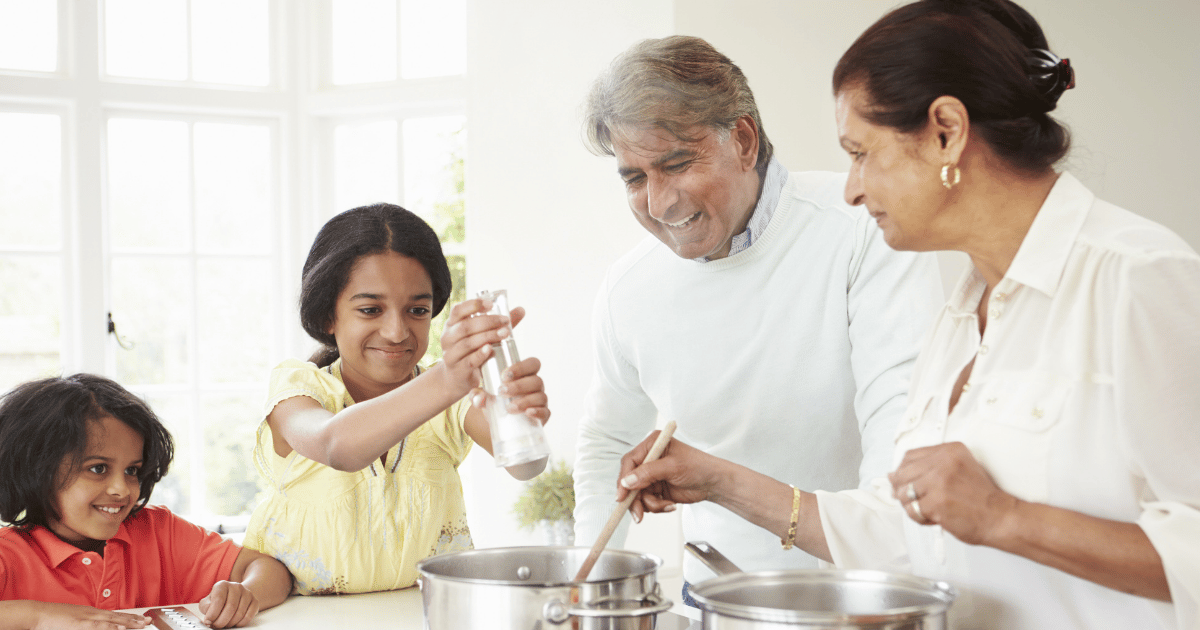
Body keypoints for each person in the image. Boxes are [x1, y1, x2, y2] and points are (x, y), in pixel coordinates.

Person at [615, 1, 1200, 629]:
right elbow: (905, 535)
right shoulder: (961, 314)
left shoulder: (1136, 277)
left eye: (862, 152)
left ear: (946, 130)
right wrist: (716, 480)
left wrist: (1005, 517)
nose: (851, 188)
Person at [572, 34, 945, 597]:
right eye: (634, 177)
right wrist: (587, 587)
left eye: (676, 163)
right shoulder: (630, 287)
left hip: (858, 600)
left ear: (743, 139)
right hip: (718, 603)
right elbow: (606, 442)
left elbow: (897, 482)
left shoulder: (862, 235)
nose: (658, 203)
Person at [241, 203, 550, 595]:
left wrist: (519, 415)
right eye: (371, 309)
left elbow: (528, 466)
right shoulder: (298, 388)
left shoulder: (453, 398)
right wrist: (448, 380)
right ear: (327, 317)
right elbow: (337, 445)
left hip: (421, 615)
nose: (396, 331)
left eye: (417, 310)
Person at [0, 374, 293, 630]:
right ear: (38, 470)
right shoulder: (8, 555)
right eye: (98, 468)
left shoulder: (159, 533)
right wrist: (37, 616)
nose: (122, 489)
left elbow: (268, 570)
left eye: (132, 470)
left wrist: (244, 594)